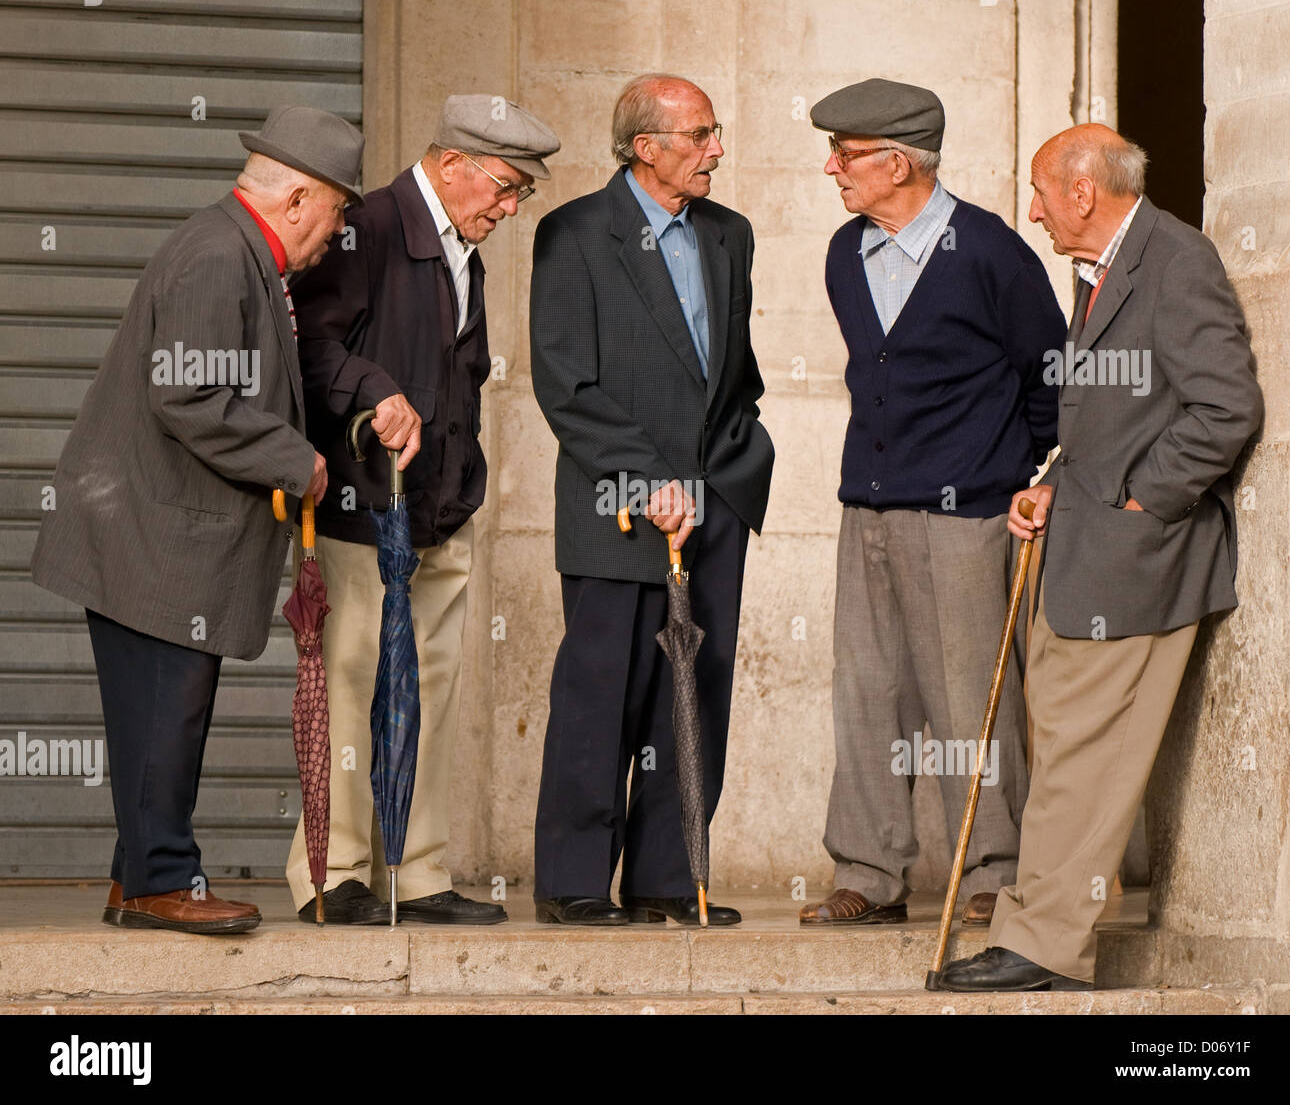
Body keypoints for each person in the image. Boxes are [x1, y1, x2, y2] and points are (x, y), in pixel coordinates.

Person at [936, 124, 1263, 991]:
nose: (1031, 210)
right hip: (1082, 545)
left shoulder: (1176, 260)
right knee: (1065, 746)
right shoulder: (1104, 267)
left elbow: (1224, 408)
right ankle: (1037, 929)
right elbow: (1117, 414)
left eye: (1041, 192)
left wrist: (1138, 498)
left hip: (1138, 557)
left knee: (1083, 753)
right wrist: (1056, 483)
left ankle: (1042, 945)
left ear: (1083, 192)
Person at [30, 105, 363, 934]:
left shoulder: (238, 253)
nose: (334, 234)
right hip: (153, 538)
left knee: (162, 710)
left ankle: (136, 874)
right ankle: (161, 880)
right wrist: (299, 461)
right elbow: (187, 394)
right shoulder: (219, 256)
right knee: (163, 708)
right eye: (333, 213)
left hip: (161, 535)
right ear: (294, 200)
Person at [284, 96, 560, 925]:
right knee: (352, 684)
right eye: (505, 188)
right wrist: (374, 393)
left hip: (437, 513)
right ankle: (332, 875)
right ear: (450, 166)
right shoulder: (365, 227)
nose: (509, 209)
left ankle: (417, 869)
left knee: (429, 692)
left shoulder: (459, 247)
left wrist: (464, 485)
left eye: (521, 195)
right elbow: (307, 342)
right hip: (363, 513)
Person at [798, 79, 1062, 929]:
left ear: (898, 161)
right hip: (866, 509)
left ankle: (990, 871)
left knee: (965, 699)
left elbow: (1049, 379)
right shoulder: (846, 251)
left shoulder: (990, 251)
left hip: (966, 517)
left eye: (845, 155)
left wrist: (1025, 477)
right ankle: (869, 875)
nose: (831, 168)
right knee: (867, 693)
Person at [530, 74, 774, 926]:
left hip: (716, 502)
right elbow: (566, 384)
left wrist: (738, 471)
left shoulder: (729, 234)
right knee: (606, 691)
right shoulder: (573, 235)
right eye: (701, 133)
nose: (717, 148)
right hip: (618, 505)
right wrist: (646, 479)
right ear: (647, 147)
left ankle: (671, 879)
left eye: (714, 131)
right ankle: (575, 883)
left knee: (696, 688)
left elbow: (730, 373)